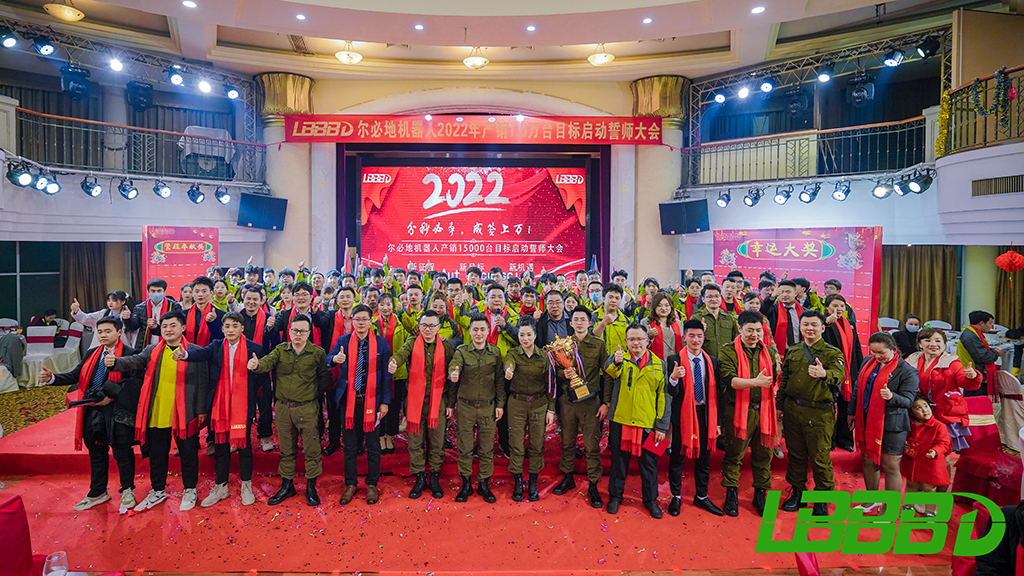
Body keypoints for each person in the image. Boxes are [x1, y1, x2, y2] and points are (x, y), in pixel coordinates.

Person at [107, 311, 209, 512]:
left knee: (188, 452)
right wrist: (116, 362)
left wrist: (201, 410)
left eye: (173, 325)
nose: (168, 330)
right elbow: (135, 360)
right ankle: (158, 490)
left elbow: (202, 383)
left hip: (185, 412)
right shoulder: (153, 350)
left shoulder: (195, 351)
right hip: (158, 410)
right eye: (164, 326)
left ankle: (190, 489)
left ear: (183, 328)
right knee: (157, 454)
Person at [38, 316, 142, 511]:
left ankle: (127, 489)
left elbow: (135, 385)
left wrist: (112, 396)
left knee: (122, 452)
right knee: (96, 452)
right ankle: (98, 491)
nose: (103, 335)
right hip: (92, 409)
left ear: (119, 332)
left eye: (108, 331)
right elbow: (75, 375)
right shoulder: (92, 353)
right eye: (100, 331)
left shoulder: (131, 354)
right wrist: (53, 378)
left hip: (117, 411)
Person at [174, 312, 266, 507]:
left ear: (242, 328)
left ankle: (246, 485)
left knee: (244, 446)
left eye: (235, 326)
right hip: (219, 405)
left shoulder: (255, 348)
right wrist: (185, 354)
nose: (231, 330)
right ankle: (221, 486)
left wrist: (253, 379)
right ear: (222, 329)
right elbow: (200, 354)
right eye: (227, 326)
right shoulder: (216, 345)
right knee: (221, 446)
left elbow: (263, 376)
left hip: (243, 405)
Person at [249, 315, 334, 506]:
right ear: (289, 331)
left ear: (309, 333)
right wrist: (257, 365)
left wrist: (312, 393)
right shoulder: (280, 350)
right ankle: (287, 486)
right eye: (295, 330)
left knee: (311, 449)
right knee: (286, 450)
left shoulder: (317, 353)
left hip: (307, 408)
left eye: (302, 331)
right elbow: (266, 363)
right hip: (283, 408)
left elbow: (325, 378)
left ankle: (311, 487)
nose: (298, 334)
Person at [776, 310, 845, 515]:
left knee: (820, 457)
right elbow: (785, 380)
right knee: (796, 455)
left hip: (819, 413)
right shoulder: (794, 350)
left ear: (822, 328)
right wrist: (780, 406)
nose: (809, 328)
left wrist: (825, 374)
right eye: (805, 324)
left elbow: (839, 374)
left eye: (814, 325)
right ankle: (798, 492)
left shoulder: (832, 353)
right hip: (793, 410)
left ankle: (821, 499)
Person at [604, 324, 672, 518]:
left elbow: (663, 397)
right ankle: (615, 497)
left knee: (649, 464)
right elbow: (609, 370)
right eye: (632, 339)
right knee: (618, 462)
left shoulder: (659, 364)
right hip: (621, 421)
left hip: (647, 424)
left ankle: (651, 501)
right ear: (626, 342)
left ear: (647, 341)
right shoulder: (620, 359)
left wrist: (661, 426)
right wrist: (615, 361)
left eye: (640, 339)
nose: (636, 343)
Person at [847, 332, 918, 513]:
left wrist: (892, 397)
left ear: (893, 349)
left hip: (893, 425)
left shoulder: (907, 371)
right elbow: (858, 389)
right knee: (868, 460)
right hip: (867, 420)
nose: (877, 356)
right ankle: (871, 500)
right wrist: (851, 412)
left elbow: (908, 401)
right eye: (874, 352)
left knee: (890, 465)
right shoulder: (868, 362)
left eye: (881, 353)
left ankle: (890, 507)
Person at [327, 304, 392, 505]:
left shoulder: (381, 343)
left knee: (373, 445)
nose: (361, 323)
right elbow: (327, 358)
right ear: (352, 321)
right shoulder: (343, 341)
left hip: (372, 401)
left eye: (365, 319)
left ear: (371, 321)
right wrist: (335, 359)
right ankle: (351, 483)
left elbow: (386, 375)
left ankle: (372, 484)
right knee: (350, 445)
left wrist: (385, 402)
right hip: (348, 401)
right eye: (357, 319)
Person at [718, 310, 780, 517]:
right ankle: (731, 493)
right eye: (749, 330)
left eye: (758, 330)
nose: (754, 334)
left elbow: (774, 380)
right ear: (739, 329)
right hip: (737, 411)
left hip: (764, 411)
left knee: (764, 455)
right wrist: (756, 382)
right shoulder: (728, 351)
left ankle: (760, 494)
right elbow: (730, 381)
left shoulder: (769, 352)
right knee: (734, 455)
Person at [389, 310, 456, 499]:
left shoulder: (446, 347)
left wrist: (451, 403)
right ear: (419, 326)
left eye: (432, 326)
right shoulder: (412, 343)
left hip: (438, 402)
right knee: (415, 442)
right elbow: (401, 355)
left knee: (437, 442)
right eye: (424, 325)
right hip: (415, 402)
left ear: (438, 327)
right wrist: (394, 362)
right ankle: (419, 478)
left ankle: (434, 477)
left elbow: (452, 377)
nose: (427, 329)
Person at [551, 307, 610, 508]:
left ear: (589, 323)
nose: (579, 322)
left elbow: (607, 374)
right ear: (570, 323)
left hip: (591, 402)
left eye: (583, 319)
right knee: (567, 442)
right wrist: (564, 374)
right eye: (575, 319)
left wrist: (606, 403)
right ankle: (568, 477)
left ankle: (593, 484)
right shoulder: (563, 345)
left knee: (592, 445)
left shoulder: (599, 345)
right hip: (568, 402)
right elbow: (556, 372)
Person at [666, 319, 724, 517]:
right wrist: (674, 377)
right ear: (684, 337)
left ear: (704, 338)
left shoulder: (712, 361)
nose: (695, 340)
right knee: (677, 457)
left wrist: (718, 422)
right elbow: (671, 392)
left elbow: (718, 393)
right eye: (691, 335)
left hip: (706, 414)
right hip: (683, 415)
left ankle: (701, 496)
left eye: (699, 336)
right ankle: (676, 496)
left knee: (704, 459)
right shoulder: (674, 359)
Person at [907, 327, 981, 480]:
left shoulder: (951, 362)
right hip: (920, 414)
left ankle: (942, 489)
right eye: (927, 340)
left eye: (937, 340)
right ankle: (920, 487)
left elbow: (965, 382)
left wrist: (972, 376)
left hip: (945, 414)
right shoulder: (912, 360)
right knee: (921, 452)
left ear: (944, 344)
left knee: (942, 455)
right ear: (920, 344)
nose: (933, 344)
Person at [446, 313, 505, 502]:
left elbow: (499, 380)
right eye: (475, 329)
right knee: (464, 447)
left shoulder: (495, 352)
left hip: (488, 407)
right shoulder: (462, 351)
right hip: (466, 407)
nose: (479, 333)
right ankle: (465, 483)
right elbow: (454, 367)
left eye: (482, 329)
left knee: (486, 448)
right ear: (470, 331)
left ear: (488, 331)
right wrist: (453, 373)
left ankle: (484, 484)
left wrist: (500, 405)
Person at [503, 317, 553, 502]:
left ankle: (533, 481)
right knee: (516, 443)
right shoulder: (512, 353)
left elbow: (550, 384)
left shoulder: (544, 357)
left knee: (536, 443)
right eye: (522, 335)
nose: (525, 338)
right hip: (517, 403)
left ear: (535, 335)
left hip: (539, 404)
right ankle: (518, 480)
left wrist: (551, 409)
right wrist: (508, 370)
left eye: (529, 334)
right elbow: (508, 364)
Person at [236, 286, 278, 452]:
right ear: (243, 299)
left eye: (255, 299)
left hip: (262, 367)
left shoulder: (269, 318)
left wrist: (270, 330)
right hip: (239, 367)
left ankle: (265, 435)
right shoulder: (236, 318)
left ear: (262, 301)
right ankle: (238, 436)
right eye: (248, 298)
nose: (251, 302)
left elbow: (276, 345)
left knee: (265, 403)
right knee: (240, 404)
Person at [823, 294, 861, 452]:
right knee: (830, 407)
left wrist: (858, 370)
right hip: (831, 371)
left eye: (841, 306)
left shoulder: (849, 323)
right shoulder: (823, 323)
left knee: (846, 406)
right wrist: (827, 323)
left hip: (849, 371)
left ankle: (844, 439)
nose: (838, 309)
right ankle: (830, 440)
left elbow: (856, 348)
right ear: (827, 308)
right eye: (834, 305)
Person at [901, 396, 951, 517]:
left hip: (930, 462)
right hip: (912, 461)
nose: (924, 410)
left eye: (926, 406)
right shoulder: (909, 425)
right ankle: (909, 505)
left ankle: (930, 512)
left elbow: (944, 443)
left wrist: (935, 451)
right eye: (918, 408)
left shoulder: (939, 426)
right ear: (911, 412)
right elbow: (904, 437)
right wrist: (904, 443)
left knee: (929, 487)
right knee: (911, 484)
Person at [374, 293, 410, 455]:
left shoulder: (401, 324)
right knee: (379, 405)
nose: (385, 307)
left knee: (394, 407)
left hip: (398, 371)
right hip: (378, 372)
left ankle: (390, 436)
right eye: (382, 304)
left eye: (388, 304)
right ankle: (380, 436)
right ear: (377, 306)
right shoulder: (373, 324)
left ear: (393, 306)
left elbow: (409, 343)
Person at [957, 310, 1006, 397]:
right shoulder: (971, 336)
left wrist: (992, 350)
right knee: (976, 402)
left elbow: (979, 350)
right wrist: (996, 353)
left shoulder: (972, 332)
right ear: (981, 323)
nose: (991, 327)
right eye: (990, 323)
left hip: (975, 373)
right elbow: (983, 356)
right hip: (974, 374)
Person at [127, 279, 183, 349]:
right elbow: (134, 326)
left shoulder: (174, 306)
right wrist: (127, 319)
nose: (156, 294)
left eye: (159, 291)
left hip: (169, 343)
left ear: (164, 291)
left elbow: (180, 325)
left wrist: (156, 327)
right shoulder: (140, 307)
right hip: (146, 345)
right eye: (153, 291)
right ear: (148, 292)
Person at [71, 291, 136, 349]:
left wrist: (128, 319)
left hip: (122, 347)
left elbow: (133, 335)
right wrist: (77, 311)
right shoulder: (103, 313)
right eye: (108, 300)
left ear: (123, 302)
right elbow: (87, 318)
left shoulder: (129, 315)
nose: (110, 303)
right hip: (102, 347)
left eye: (114, 300)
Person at [692, 283, 739, 359]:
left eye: (717, 296)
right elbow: (690, 342)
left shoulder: (730, 318)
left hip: (726, 361)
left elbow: (736, 341)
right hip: (705, 360)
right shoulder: (697, 318)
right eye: (710, 297)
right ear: (703, 299)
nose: (714, 299)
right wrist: (699, 331)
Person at [761, 279, 803, 355]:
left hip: (799, 351)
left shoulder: (802, 311)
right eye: (782, 292)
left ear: (795, 293)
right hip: (779, 351)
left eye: (788, 292)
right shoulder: (773, 309)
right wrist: (772, 297)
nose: (784, 295)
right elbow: (763, 309)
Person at [640, 292, 683, 361]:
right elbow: (640, 347)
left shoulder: (678, 323)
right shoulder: (646, 323)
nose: (663, 308)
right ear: (654, 307)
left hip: (676, 362)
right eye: (659, 305)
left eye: (667, 305)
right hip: (655, 362)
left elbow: (684, 343)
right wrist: (649, 337)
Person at [184, 276, 225, 347]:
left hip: (212, 352)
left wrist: (213, 323)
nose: (200, 294)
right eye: (197, 291)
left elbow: (221, 339)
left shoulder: (221, 314)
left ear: (211, 293)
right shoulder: (184, 314)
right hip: (188, 351)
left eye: (204, 291)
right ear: (192, 293)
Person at [592, 282, 630, 354]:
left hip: (620, 359)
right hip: (597, 359)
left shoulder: (626, 321)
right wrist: (603, 323)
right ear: (603, 298)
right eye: (610, 297)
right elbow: (589, 337)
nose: (613, 300)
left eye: (617, 298)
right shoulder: (593, 317)